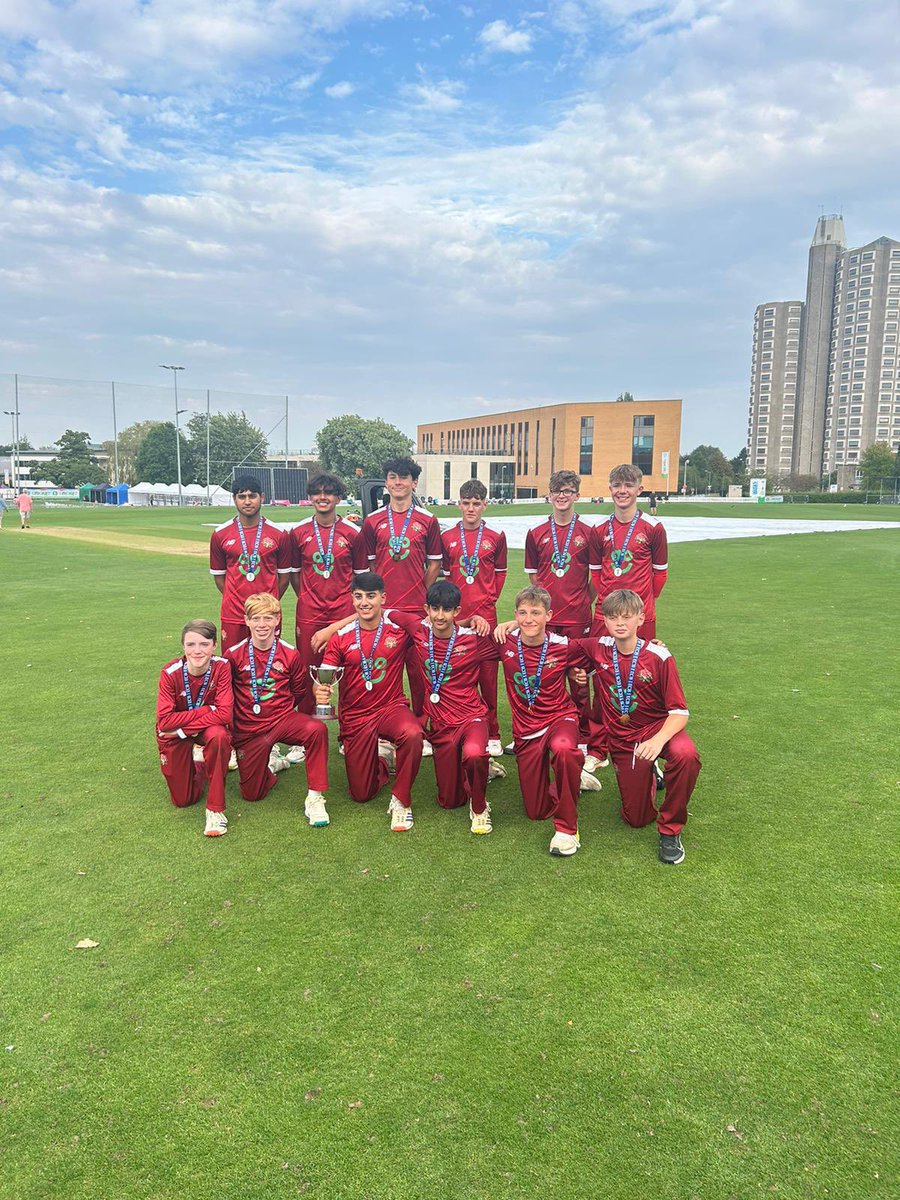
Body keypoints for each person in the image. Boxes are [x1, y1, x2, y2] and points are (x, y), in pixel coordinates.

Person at [570, 589, 700, 865]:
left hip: (658, 730)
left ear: (641, 619)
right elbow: (554, 645)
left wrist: (657, 741)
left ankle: (671, 829)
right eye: (613, 617)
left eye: (627, 617)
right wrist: (577, 670)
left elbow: (679, 713)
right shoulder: (598, 647)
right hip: (623, 740)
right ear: (604, 620)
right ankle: (650, 772)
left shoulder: (659, 656)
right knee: (637, 819)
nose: (620, 623)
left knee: (686, 754)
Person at [383, 580, 505, 835]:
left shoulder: (475, 639)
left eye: (447, 610)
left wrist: (504, 622)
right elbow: (382, 611)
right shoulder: (417, 630)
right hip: (441, 725)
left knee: (472, 753)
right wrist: (330, 631)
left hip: (472, 717)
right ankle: (481, 770)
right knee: (450, 800)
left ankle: (480, 807)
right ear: (426, 609)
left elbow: (517, 640)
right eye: (435, 609)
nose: (440, 616)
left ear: (456, 611)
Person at [489, 586, 600, 858]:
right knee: (536, 811)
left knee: (563, 749)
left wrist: (649, 644)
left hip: (559, 718)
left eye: (536, 613)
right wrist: (484, 621)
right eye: (523, 613)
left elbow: (605, 648)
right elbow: (460, 638)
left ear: (549, 615)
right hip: (526, 730)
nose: (529, 619)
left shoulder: (564, 646)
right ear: (515, 614)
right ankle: (574, 778)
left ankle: (567, 830)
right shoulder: (503, 641)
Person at [315, 572, 424, 831]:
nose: (364, 602)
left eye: (371, 597)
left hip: (391, 707)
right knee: (361, 794)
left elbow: (435, 626)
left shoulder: (397, 630)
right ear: (352, 599)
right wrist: (319, 691)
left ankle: (401, 800)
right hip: (356, 715)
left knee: (413, 734)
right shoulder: (340, 637)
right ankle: (384, 759)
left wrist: (473, 620)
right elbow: (323, 676)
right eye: (359, 596)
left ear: (382, 598)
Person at [225, 593, 331, 827]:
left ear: (277, 620)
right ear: (246, 621)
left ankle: (315, 798)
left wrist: (278, 711)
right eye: (256, 618)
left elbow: (299, 690)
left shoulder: (290, 653)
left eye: (268, 618)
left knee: (316, 730)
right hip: (249, 729)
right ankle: (274, 765)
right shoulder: (233, 654)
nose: (262, 625)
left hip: (281, 720)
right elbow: (227, 694)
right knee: (252, 794)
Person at [361, 456, 443, 722]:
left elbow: (434, 564)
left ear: (414, 482)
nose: (398, 482)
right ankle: (385, 723)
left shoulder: (428, 520)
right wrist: (378, 600)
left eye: (404, 478)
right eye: (393, 477)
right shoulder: (372, 521)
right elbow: (371, 568)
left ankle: (421, 722)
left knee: (419, 671)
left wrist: (423, 593)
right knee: (383, 669)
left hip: (416, 609)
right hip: (384, 611)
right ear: (386, 482)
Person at [523, 469, 594, 752]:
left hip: (577, 618)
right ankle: (539, 729)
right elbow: (533, 577)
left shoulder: (589, 533)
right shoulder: (536, 533)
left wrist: (580, 601)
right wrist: (544, 608)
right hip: (546, 621)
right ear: (549, 496)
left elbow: (595, 579)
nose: (562, 496)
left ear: (576, 495)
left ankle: (584, 736)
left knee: (578, 679)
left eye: (567, 491)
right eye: (557, 491)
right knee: (542, 676)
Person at [290, 473, 368, 712]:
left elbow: (361, 578)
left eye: (329, 492)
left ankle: (350, 733)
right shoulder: (298, 532)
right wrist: (308, 597)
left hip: (343, 613)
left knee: (351, 671)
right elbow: (294, 574)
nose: (322, 497)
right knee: (306, 673)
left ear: (338, 497)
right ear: (310, 497)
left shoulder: (353, 533)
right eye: (317, 492)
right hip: (309, 613)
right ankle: (305, 734)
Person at [441, 479, 508, 755]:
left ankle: (493, 732)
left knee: (488, 678)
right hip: (456, 622)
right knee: (455, 677)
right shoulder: (447, 538)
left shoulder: (496, 537)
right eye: (466, 503)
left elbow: (501, 574)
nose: (471, 508)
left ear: (485, 505)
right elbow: (446, 577)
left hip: (486, 621)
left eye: (476, 503)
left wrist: (487, 603)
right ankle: (455, 726)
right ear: (459, 504)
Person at [156, 619, 233, 837]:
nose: (197, 651)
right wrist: (208, 709)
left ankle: (215, 811)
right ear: (183, 646)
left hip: (194, 730)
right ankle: (200, 764)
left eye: (204, 644)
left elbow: (225, 714)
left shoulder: (222, 667)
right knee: (183, 800)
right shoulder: (170, 673)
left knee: (219, 736)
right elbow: (164, 722)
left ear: (214, 645)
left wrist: (183, 729)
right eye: (191, 644)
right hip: (174, 733)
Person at [210, 475, 293, 653]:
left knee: (268, 664)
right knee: (232, 665)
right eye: (242, 496)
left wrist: (265, 605)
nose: (247, 501)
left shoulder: (279, 534)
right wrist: (235, 600)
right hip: (234, 614)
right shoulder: (220, 534)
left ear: (262, 497)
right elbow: (219, 577)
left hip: (267, 614)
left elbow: (284, 578)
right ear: (234, 499)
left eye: (252, 496)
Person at [589, 464, 668, 643]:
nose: (622, 491)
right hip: (606, 613)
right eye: (617, 485)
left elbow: (660, 574)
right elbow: (595, 574)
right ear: (610, 488)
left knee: (640, 668)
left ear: (639, 489)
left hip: (640, 613)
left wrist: (644, 598)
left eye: (628, 485)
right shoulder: (598, 529)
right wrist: (609, 599)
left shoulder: (654, 528)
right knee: (602, 667)